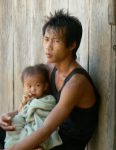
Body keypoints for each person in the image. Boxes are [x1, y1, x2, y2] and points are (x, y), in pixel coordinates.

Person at [0, 9, 99, 150]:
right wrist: (11, 115)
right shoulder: (50, 68)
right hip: (46, 129)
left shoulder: (76, 83)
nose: (48, 46)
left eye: (56, 41)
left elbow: (47, 129)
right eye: (46, 39)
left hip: (65, 141)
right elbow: (34, 103)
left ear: (72, 45)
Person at [4, 64, 62, 150]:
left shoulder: (48, 99)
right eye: (29, 86)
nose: (33, 89)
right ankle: (22, 144)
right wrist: (23, 103)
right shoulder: (28, 100)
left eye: (37, 85)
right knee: (15, 122)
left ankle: (37, 145)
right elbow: (21, 113)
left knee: (37, 129)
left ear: (45, 86)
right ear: (24, 87)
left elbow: (49, 112)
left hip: (40, 123)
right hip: (27, 124)